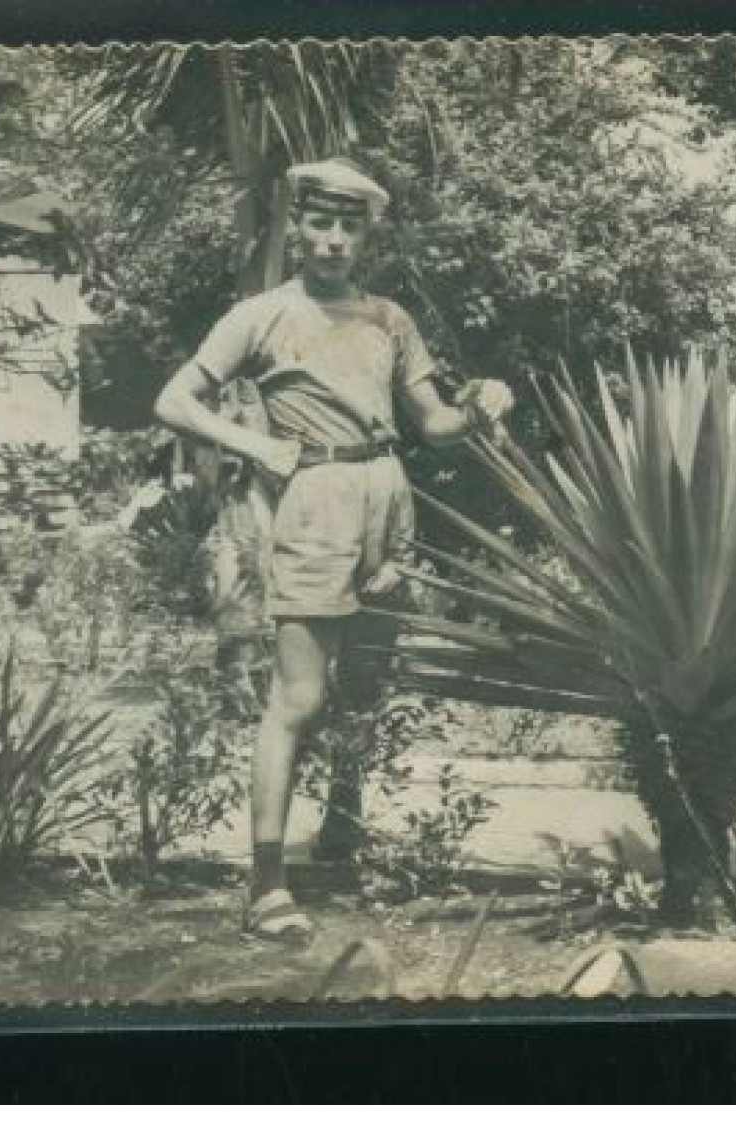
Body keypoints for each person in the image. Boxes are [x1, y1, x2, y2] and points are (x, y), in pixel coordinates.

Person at [154, 157, 515, 946]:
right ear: (297, 227)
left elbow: (435, 427)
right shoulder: (262, 314)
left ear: (365, 235)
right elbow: (174, 400)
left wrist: (481, 403)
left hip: (389, 498)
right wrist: (254, 442)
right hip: (314, 502)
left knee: (367, 687)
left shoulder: (389, 318)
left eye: (348, 226)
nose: (331, 241)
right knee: (300, 699)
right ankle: (266, 882)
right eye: (319, 224)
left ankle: (342, 838)